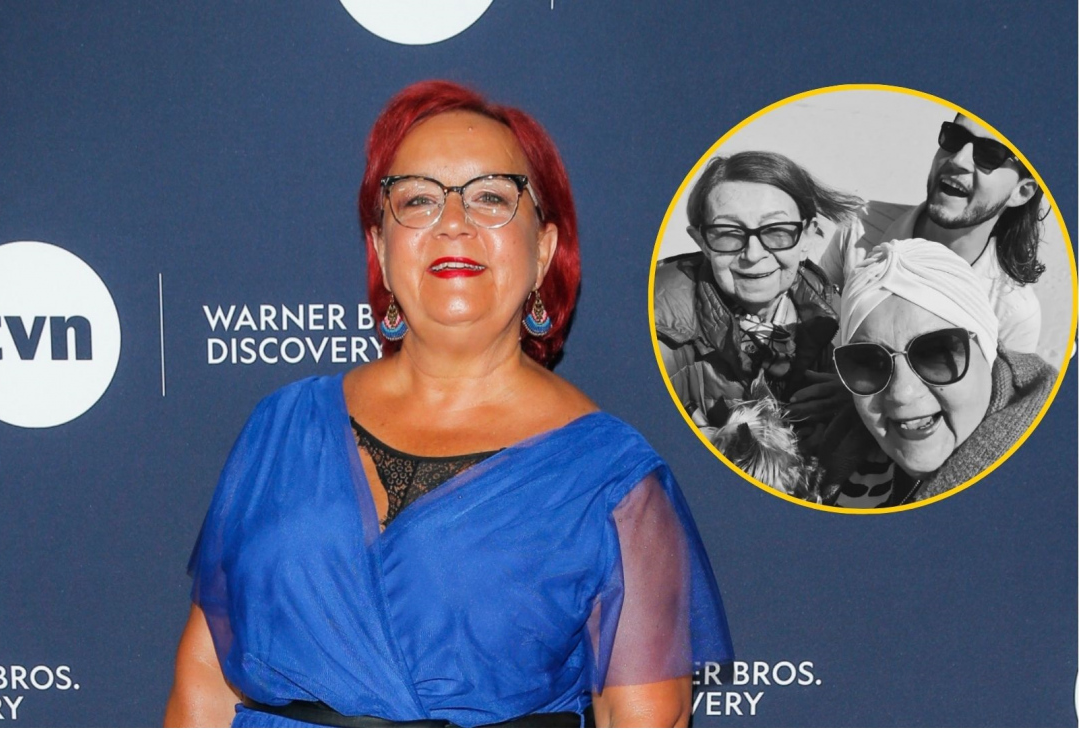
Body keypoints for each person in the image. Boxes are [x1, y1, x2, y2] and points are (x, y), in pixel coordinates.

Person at [164, 80, 732, 728]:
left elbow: (643, 719)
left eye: (491, 197)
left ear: (543, 249)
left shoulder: (613, 479)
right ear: (381, 249)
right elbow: (205, 680)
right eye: (418, 199)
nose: (453, 222)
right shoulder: (281, 427)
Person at [818, 240, 1056, 508]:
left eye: (935, 353)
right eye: (869, 361)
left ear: (987, 349)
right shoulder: (835, 444)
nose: (902, 393)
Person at [654, 151, 862, 433]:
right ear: (702, 241)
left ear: (807, 237)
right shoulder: (657, 330)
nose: (753, 254)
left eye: (776, 231)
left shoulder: (844, 322)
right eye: (728, 233)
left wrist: (862, 401)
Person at [819, 114, 1045, 354]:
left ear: (1021, 191)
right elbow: (813, 324)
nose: (958, 159)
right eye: (955, 138)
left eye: (990, 154)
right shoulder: (859, 227)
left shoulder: (1013, 311)